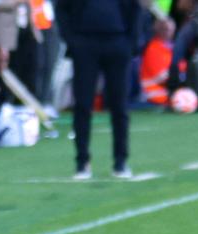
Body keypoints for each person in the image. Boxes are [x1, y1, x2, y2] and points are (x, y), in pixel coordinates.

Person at [55, 0, 142, 179]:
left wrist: (129, 43)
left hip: (117, 40)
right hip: (85, 42)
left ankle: (120, 161)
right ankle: (82, 162)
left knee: (119, 105)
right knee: (82, 105)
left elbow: (135, 8)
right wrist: (72, 40)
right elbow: (62, 8)